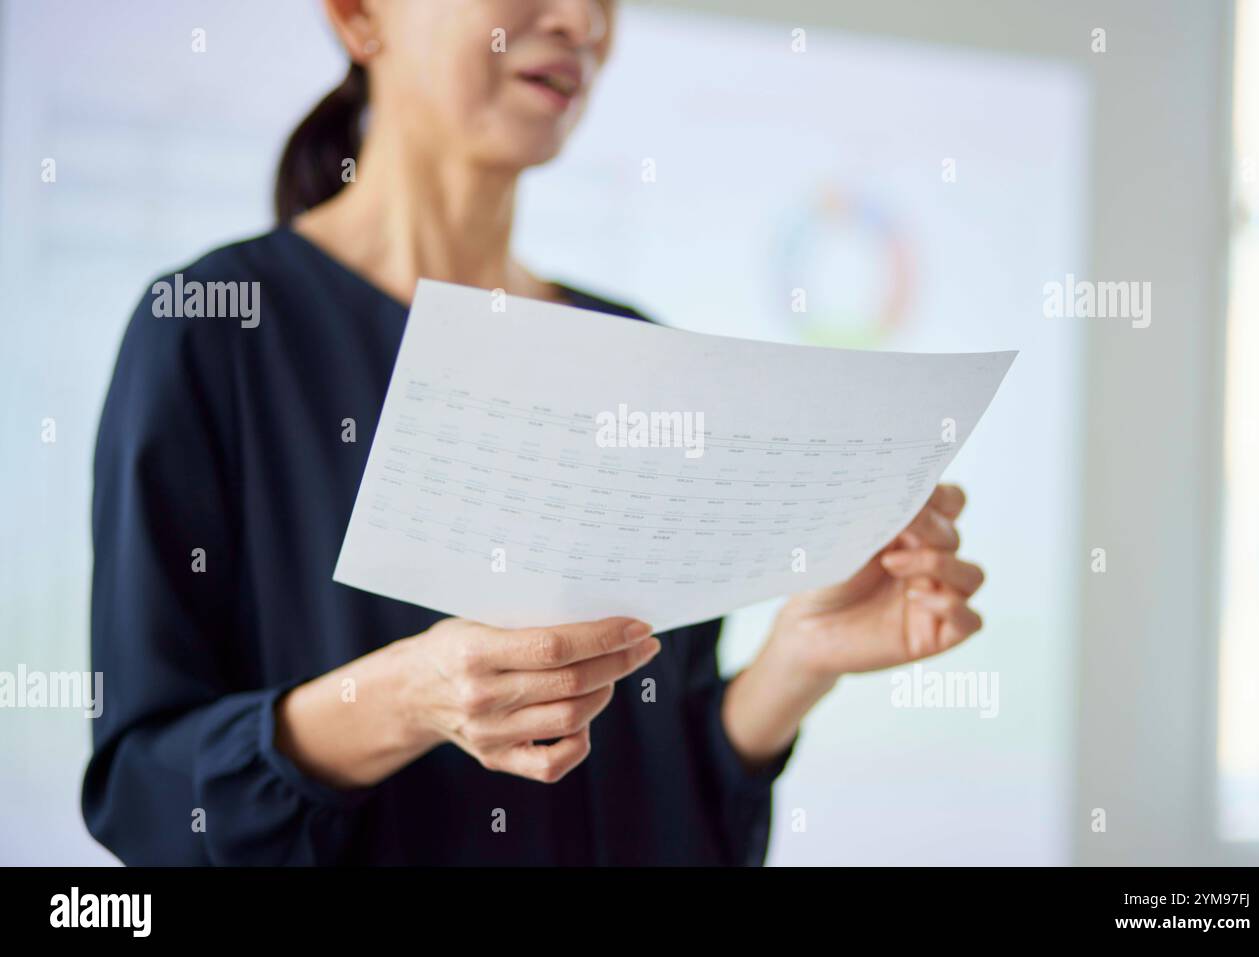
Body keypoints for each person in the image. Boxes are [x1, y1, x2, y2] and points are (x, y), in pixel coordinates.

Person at [82, 0, 986, 865]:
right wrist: (405, 699)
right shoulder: (212, 330)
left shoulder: (636, 351)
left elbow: (676, 813)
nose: (582, 22)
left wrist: (797, 662)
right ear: (359, 13)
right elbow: (146, 795)